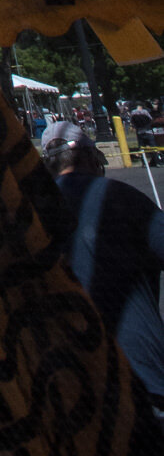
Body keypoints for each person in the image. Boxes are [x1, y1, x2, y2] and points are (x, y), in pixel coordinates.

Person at [47, 136, 164, 420]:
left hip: (64, 389)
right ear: (88, 157)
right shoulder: (120, 196)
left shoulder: (28, 209)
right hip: (139, 378)